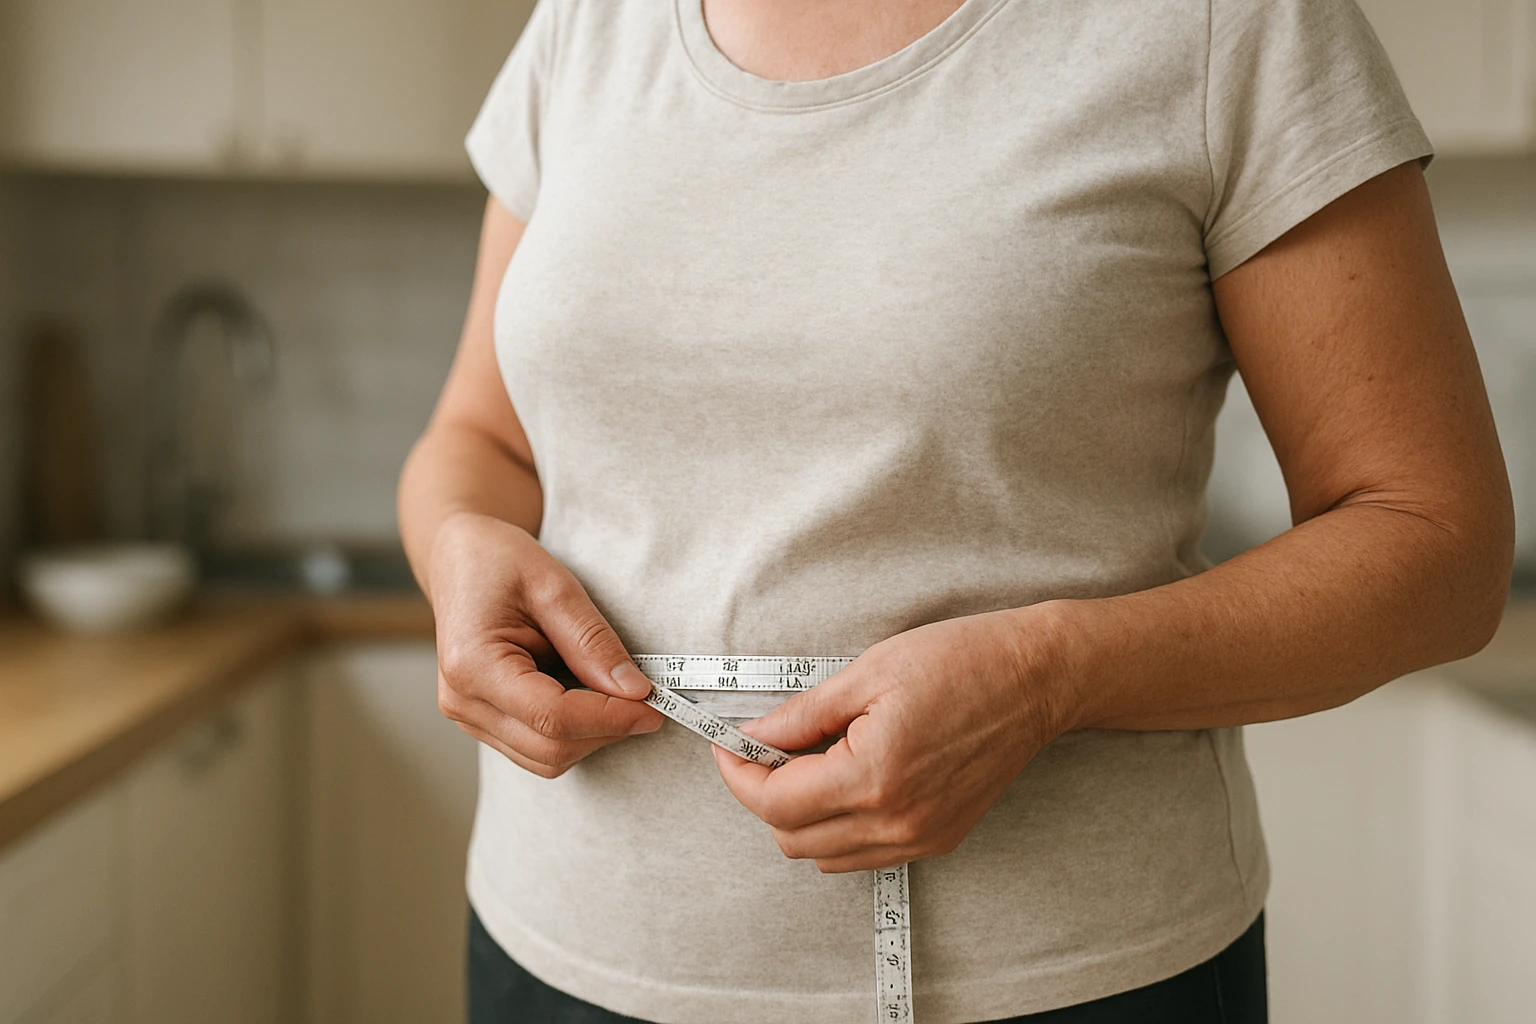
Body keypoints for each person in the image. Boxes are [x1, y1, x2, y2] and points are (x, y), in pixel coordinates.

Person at [397, 0, 1516, 1020]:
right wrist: (457, 551)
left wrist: (1047, 674)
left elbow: (1437, 539)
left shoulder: (1231, 25)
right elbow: (480, 443)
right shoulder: (590, 23)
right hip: (555, 956)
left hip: (1057, 984)